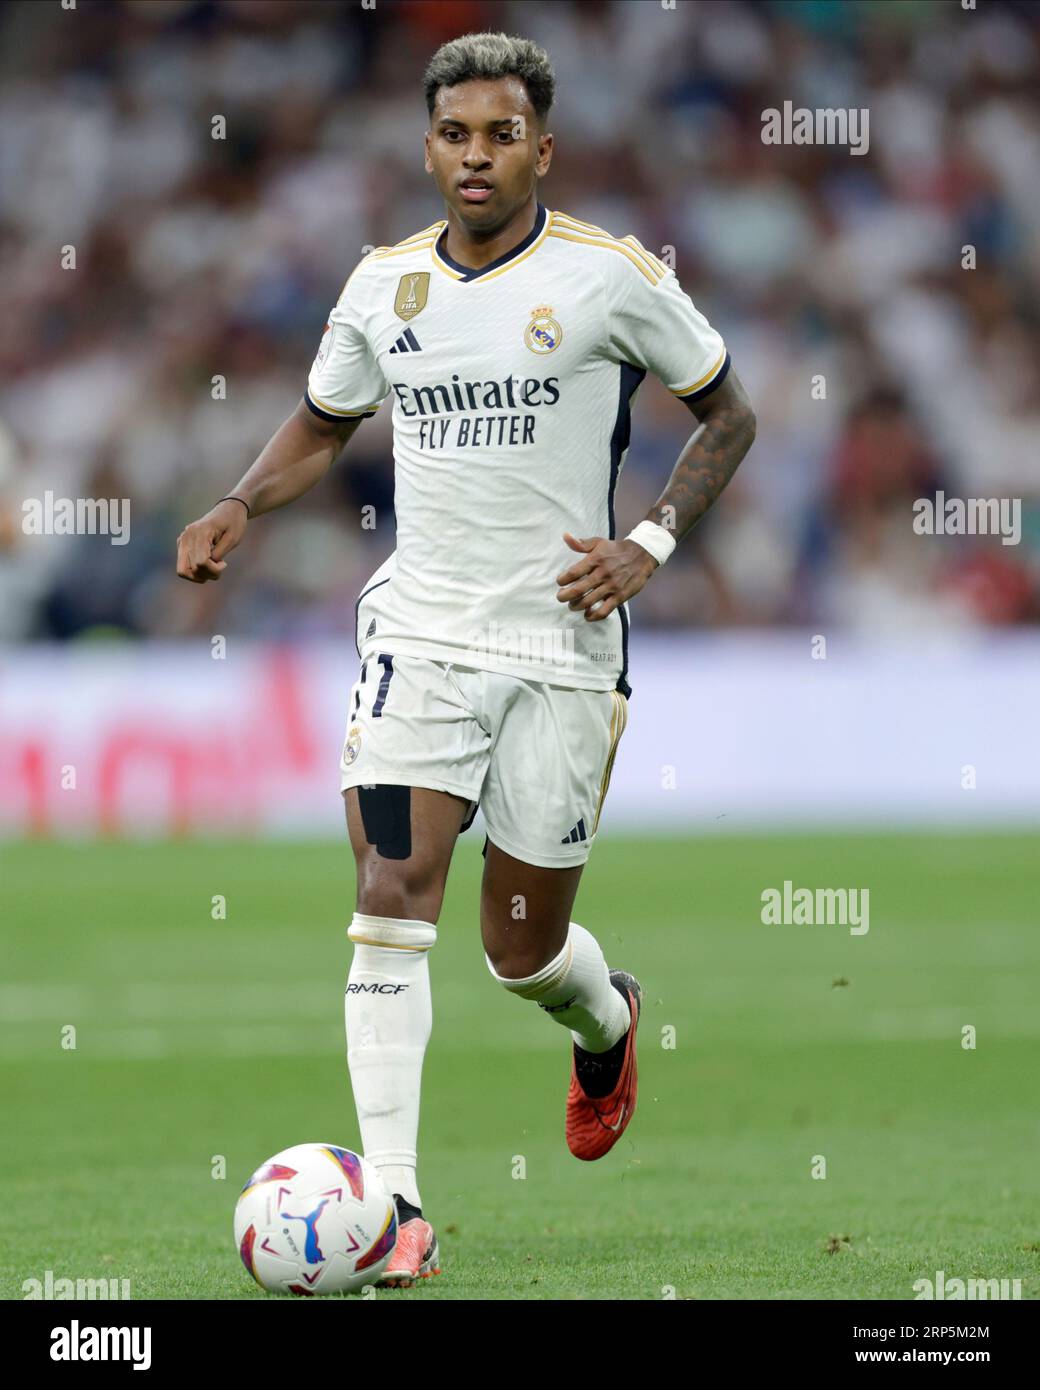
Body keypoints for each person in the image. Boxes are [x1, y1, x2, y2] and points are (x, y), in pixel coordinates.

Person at [176, 31, 755, 1289]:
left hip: (559, 638)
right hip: (418, 635)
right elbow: (323, 421)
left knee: (520, 952)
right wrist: (238, 504)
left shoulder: (610, 277)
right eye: (455, 134)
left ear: (542, 147)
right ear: (426, 146)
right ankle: (393, 1210)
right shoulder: (383, 286)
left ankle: (606, 1021)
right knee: (391, 891)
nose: (476, 155)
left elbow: (728, 412)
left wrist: (647, 540)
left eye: (501, 135)